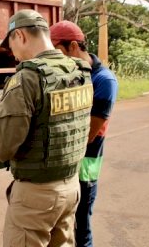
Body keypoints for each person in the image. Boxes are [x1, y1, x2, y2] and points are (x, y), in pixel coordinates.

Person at [0, 9, 93, 247]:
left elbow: (2, 148)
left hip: (36, 196)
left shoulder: (27, 78)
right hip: (71, 187)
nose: (12, 54)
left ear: (20, 35)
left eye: (11, 45)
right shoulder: (80, 71)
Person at [49, 20, 118, 247]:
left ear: (73, 46)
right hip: (64, 164)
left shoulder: (104, 80)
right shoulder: (68, 74)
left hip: (85, 164)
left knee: (80, 226)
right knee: (59, 228)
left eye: (57, 50)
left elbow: (88, 133)